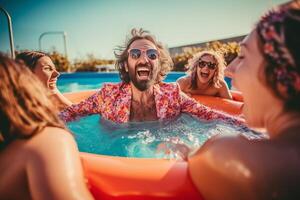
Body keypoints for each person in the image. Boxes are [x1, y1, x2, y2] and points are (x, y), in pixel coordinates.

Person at [188, 1, 300, 199]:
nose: (230, 70)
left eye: (243, 56)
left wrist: (187, 149)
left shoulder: (228, 155)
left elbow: (213, 155)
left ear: (283, 77)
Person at [59, 28, 244, 128]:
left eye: (152, 55)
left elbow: (210, 115)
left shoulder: (173, 95)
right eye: (136, 54)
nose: (144, 59)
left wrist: (250, 130)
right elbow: (70, 113)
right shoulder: (107, 96)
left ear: (158, 65)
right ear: (125, 64)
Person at [0, 54, 94, 200]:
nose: (57, 74)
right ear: (26, 76)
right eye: (48, 68)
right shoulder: (48, 140)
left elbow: (80, 114)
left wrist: (53, 90)